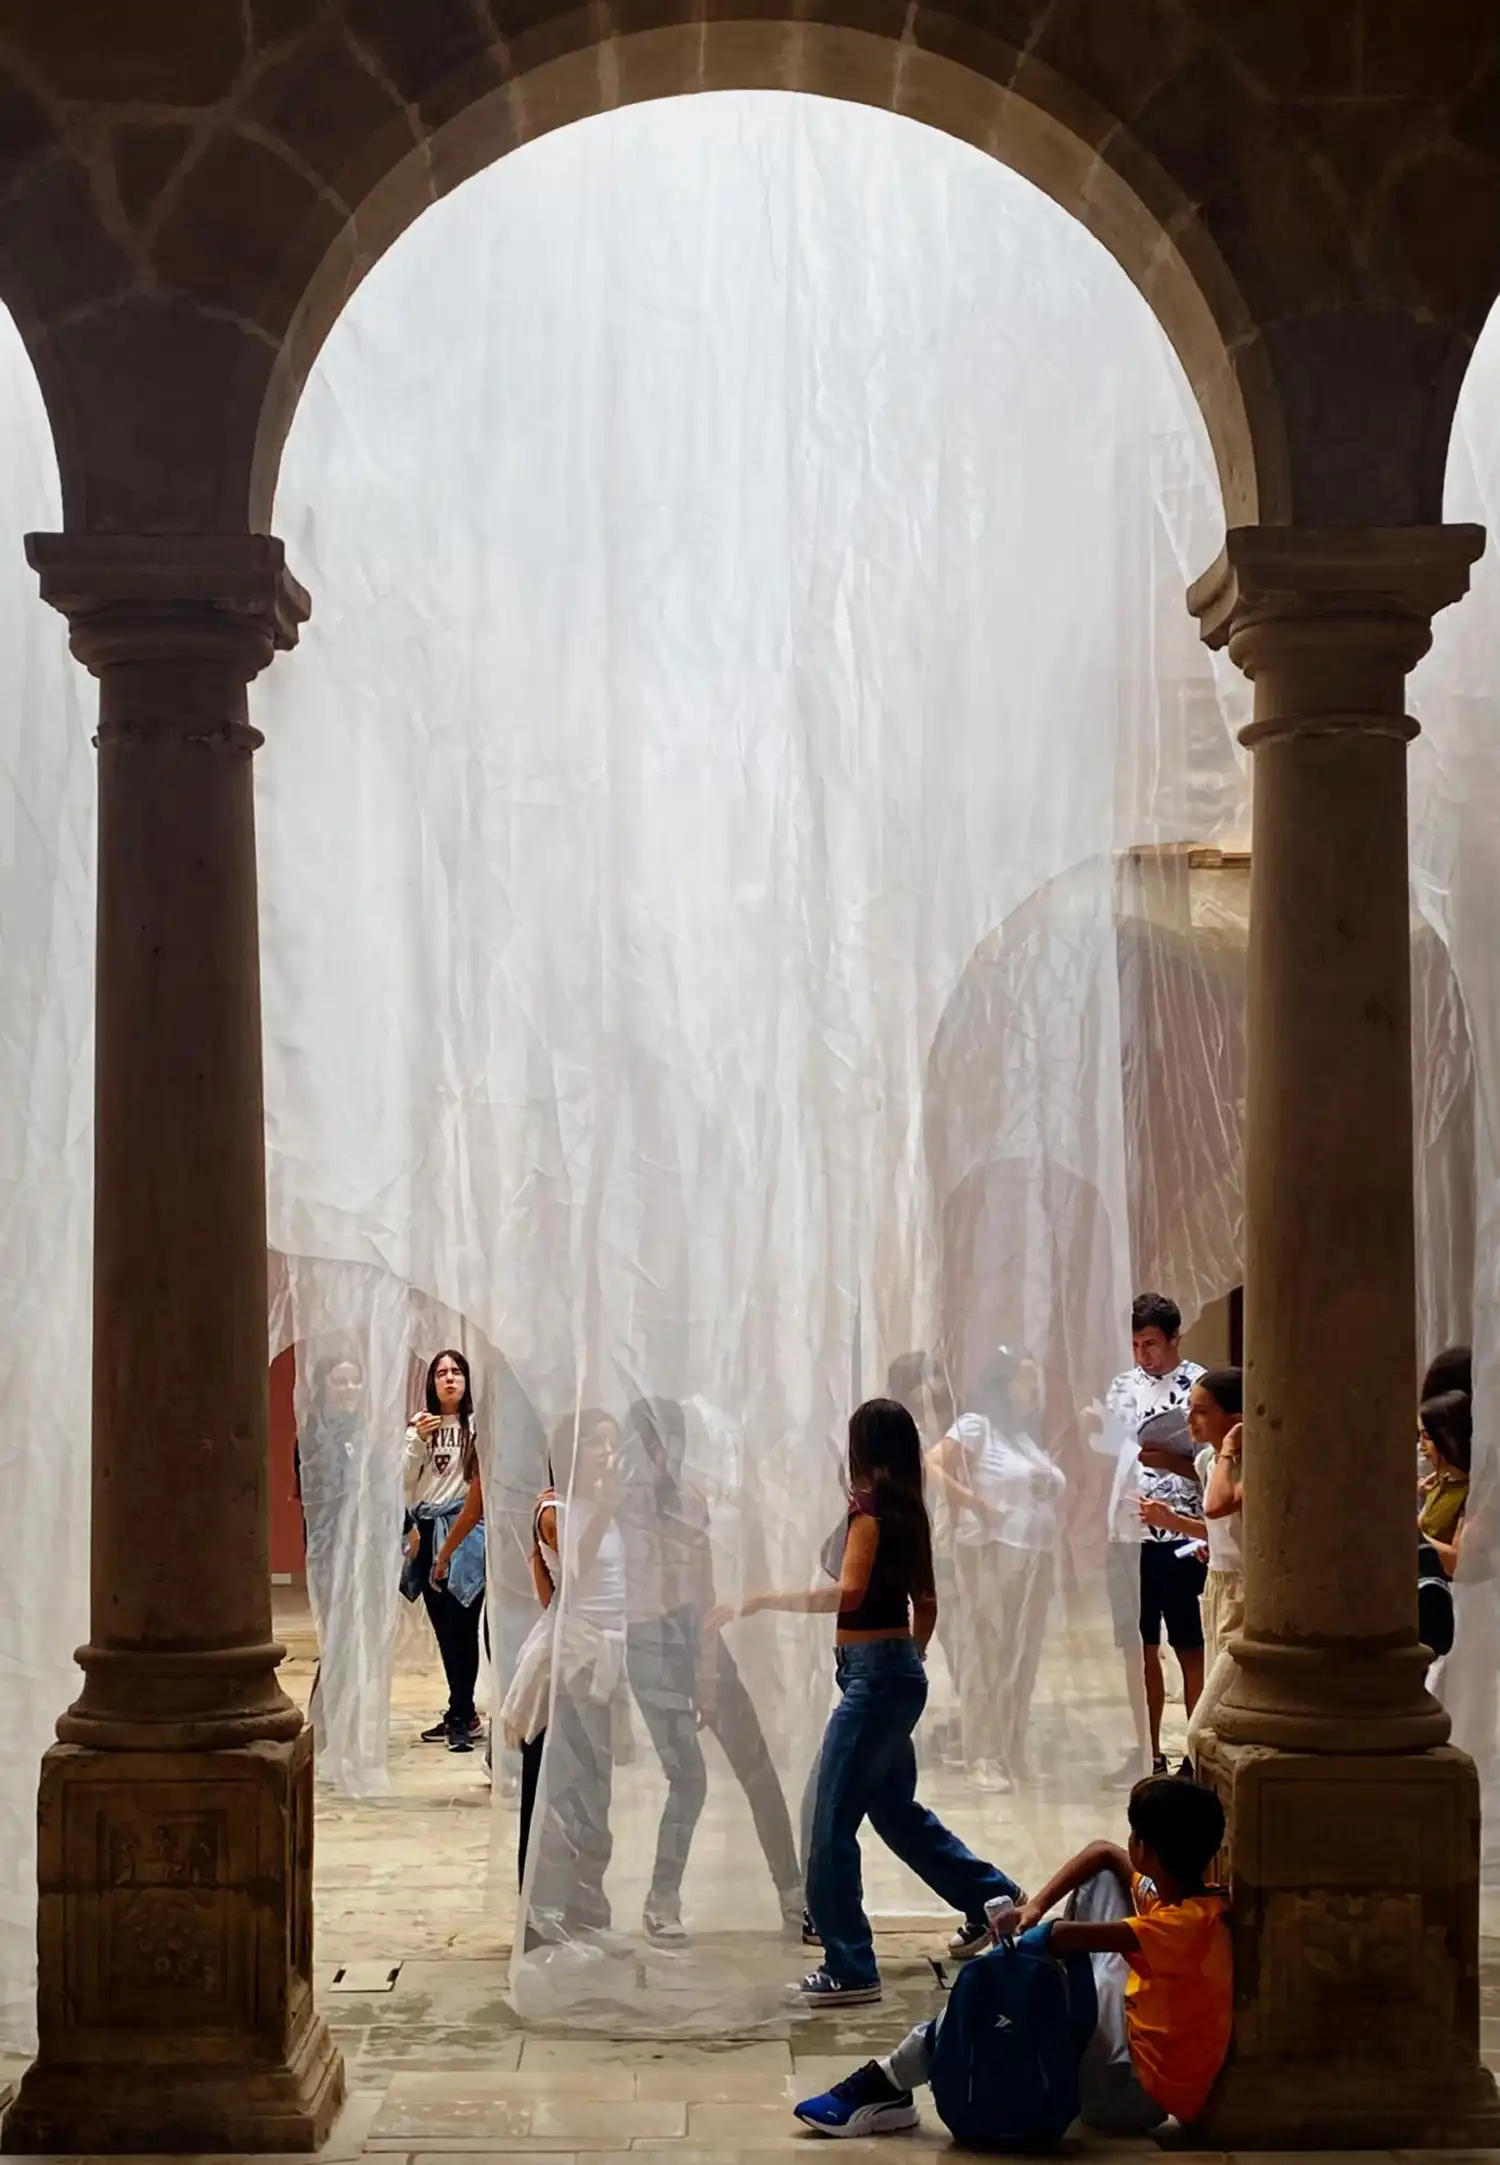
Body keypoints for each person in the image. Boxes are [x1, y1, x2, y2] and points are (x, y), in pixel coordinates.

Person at [708, 1397, 1023, 2005]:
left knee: (829, 1820)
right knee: (895, 1812)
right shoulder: (910, 1511)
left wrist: (762, 1599)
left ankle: (850, 1963)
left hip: (875, 1679)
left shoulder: (870, 1513)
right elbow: (925, 1602)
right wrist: (911, 1660)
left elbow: (848, 1594)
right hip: (892, 1673)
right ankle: (993, 1898)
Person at [793, 1774, 1230, 2140]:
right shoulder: (1190, 1901)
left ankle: (890, 2078)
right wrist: (1033, 1908)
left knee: (1003, 1980)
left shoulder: (1176, 1927)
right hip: (1134, 2044)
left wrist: (1014, 1954)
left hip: (1126, 2096)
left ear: (1148, 1851)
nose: (1128, 1844)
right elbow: (1103, 1852)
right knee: (1099, 1886)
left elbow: (1060, 1939)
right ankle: (909, 2069)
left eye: (1134, 1836)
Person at [622, 1398, 802, 1943]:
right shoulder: (618, 1508)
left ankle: (794, 1893)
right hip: (647, 1643)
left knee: (757, 1768)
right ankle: (662, 1898)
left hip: (694, 1639)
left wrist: (705, 1670)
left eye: (665, 1440)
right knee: (689, 1777)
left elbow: (702, 1590)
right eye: (648, 1440)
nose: (657, 1452)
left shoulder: (690, 1501)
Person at [507, 1408, 627, 1943]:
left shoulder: (610, 1507)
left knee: (594, 1789)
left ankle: (586, 1901)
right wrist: (604, 1507)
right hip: (569, 1659)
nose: (607, 1454)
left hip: (603, 1656)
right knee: (553, 1784)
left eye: (612, 1445)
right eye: (598, 1445)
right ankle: (536, 1907)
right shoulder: (554, 1510)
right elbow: (573, 1573)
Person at [926, 1345, 1063, 1795]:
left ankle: (1010, 1745)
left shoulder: (1024, 1437)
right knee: (987, 1649)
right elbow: (929, 1465)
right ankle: (981, 1752)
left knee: (1021, 1654)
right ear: (1004, 1384)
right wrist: (975, 1503)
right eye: (1027, 1380)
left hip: (1034, 1553)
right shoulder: (976, 1425)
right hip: (992, 1551)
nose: (1034, 1390)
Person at [1091, 1295, 1205, 1782]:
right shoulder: (1122, 1387)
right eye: (1136, 1344)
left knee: (1188, 1643)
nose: (1144, 1355)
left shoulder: (1198, 1385)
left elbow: (1212, 1461)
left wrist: (1171, 1461)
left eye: (1152, 1344)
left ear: (1175, 1339)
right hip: (1127, 1531)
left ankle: (1197, 1749)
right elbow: (1113, 1450)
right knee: (1139, 1645)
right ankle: (1148, 1747)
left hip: (1179, 1531)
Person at [404, 1349, 487, 1752]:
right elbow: (405, 1481)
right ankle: (462, 1711)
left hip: (466, 1533)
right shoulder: (420, 1427)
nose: (449, 1379)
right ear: (432, 1382)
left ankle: (461, 1715)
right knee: (443, 1631)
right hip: (427, 1526)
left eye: (456, 1372)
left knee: (464, 1626)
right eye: (441, 1373)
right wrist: (416, 1442)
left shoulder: (478, 1427)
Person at [1419, 1388, 1471, 1579]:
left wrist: (1416, 1537)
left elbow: (1457, 1563)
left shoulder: (1472, 1493)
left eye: (1427, 1437)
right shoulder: (1441, 1480)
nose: (1421, 1446)